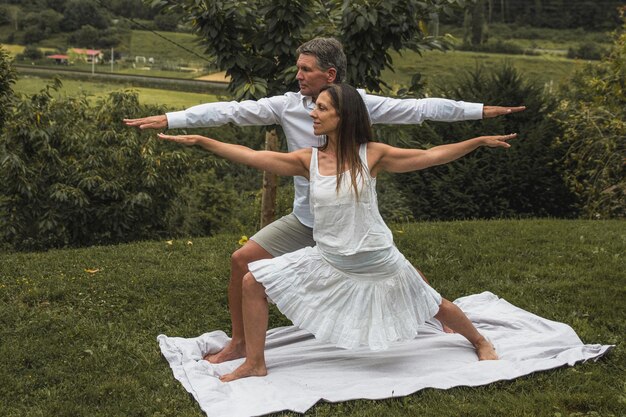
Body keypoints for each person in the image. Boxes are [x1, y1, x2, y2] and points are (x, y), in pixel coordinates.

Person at [124, 38, 525, 363]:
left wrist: (481, 114)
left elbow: (420, 112)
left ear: (329, 75)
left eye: (305, 69)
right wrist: (175, 121)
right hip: (306, 220)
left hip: (356, 228)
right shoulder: (288, 112)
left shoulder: (361, 117)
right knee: (242, 262)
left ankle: (455, 325)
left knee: (413, 286)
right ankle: (243, 346)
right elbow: (233, 114)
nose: (297, 76)